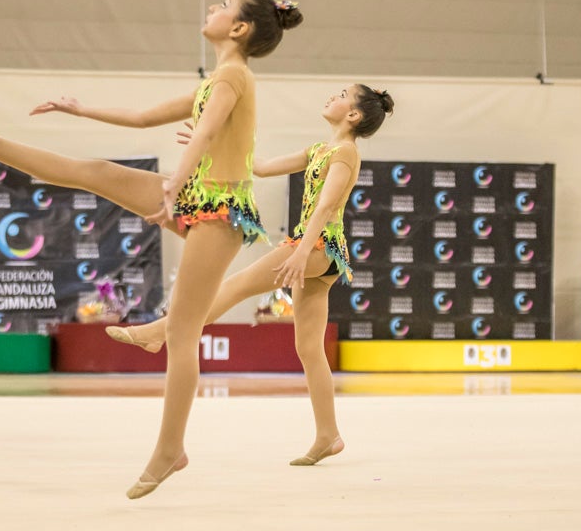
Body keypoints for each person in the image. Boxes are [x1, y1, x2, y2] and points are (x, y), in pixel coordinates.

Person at [0, 0, 302, 498]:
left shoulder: (233, 76)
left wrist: (172, 187)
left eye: (225, 3)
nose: (213, 7)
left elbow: (204, 133)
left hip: (219, 214)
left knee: (185, 334)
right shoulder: (217, 78)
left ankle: (172, 449)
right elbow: (146, 117)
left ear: (240, 28)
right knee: (94, 172)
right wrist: (81, 111)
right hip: (201, 199)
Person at [107, 84, 394, 467]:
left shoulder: (344, 153)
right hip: (321, 252)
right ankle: (329, 435)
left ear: (353, 115)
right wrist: (212, 146)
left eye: (342, 94)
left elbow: (326, 206)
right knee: (308, 349)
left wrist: (301, 253)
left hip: (317, 245)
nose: (332, 95)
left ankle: (158, 333)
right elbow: (258, 167)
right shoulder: (318, 151)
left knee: (235, 285)